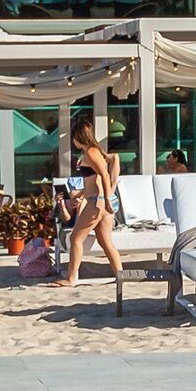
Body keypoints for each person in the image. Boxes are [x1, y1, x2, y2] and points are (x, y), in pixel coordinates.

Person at [58, 121, 127, 291]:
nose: (73, 141)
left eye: (73, 138)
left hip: (97, 201)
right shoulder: (93, 152)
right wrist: (81, 195)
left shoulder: (91, 152)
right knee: (105, 242)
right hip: (97, 200)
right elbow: (94, 178)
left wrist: (108, 199)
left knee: (75, 238)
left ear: (78, 137)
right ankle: (120, 276)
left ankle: (71, 278)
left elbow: (104, 175)